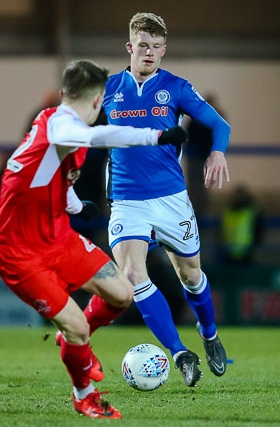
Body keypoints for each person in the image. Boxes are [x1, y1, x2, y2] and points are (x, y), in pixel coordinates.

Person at [0, 59, 187, 419]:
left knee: (122, 294)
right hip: (19, 249)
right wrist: (156, 136)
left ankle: (72, 341)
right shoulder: (68, 126)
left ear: (65, 93)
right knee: (78, 325)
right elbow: (100, 137)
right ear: (99, 103)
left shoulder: (57, 124)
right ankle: (85, 395)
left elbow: (55, 175)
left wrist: (78, 207)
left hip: (57, 235)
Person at [102, 12, 231, 387]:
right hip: (127, 199)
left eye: (157, 47)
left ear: (164, 50)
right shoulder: (108, 88)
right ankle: (179, 352)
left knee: (191, 275)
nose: (150, 53)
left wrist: (218, 152)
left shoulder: (175, 87)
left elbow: (219, 125)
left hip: (171, 198)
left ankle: (209, 335)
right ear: (130, 47)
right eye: (143, 46)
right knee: (131, 274)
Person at [185, 93, 226, 217]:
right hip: (200, 156)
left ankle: (199, 213)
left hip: (203, 157)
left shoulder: (198, 116)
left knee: (200, 186)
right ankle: (197, 213)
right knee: (197, 185)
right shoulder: (212, 118)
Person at [220, 184, 264, 265]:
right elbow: (221, 231)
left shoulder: (252, 212)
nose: (236, 198)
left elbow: (258, 231)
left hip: (248, 255)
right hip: (228, 254)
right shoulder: (227, 211)